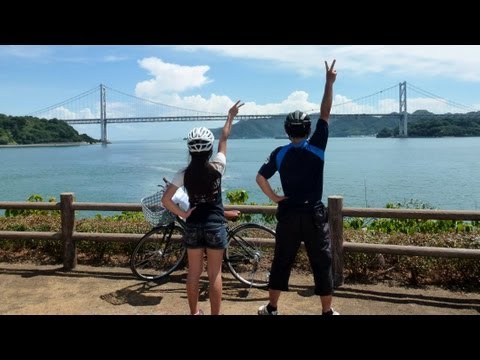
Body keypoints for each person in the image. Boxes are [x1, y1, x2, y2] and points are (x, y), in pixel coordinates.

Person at [256, 60, 338, 315]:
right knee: (321, 263)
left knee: (282, 262)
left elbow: (260, 177)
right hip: (313, 214)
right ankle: (327, 312)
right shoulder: (317, 147)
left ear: (286, 130)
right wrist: (329, 82)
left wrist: (275, 198)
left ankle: (272, 308)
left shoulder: (279, 153)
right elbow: (325, 112)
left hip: (289, 214)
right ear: (309, 129)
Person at [161, 100, 244, 315]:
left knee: (194, 273)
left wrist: (184, 213)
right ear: (209, 150)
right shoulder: (218, 167)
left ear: (189, 149)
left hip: (193, 225)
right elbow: (224, 138)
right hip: (215, 225)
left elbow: (166, 200)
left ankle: (194, 313)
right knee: (214, 274)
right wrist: (230, 116)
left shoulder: (183, 173)